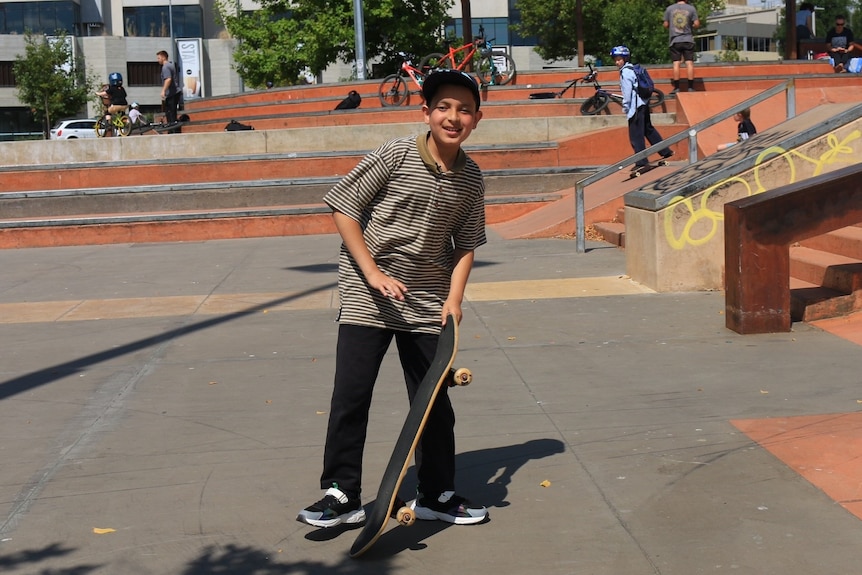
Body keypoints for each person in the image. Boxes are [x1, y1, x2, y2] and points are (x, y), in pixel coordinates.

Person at [296, 69, 488, 529]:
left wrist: (455, 300)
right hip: (369, 296)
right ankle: (341, 494)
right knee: (352, 395)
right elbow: (345, 208)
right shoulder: (395, 154)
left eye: (464, 109)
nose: (452, 116)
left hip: (426, 300)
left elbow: (466, 244)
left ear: (477, 119)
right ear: (426, 111)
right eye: (443, 106)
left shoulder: (472, 178)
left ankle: (436, 492)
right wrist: (372, 272)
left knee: (432, 401)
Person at [611, 46, 673, 175]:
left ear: (625, 59)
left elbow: (627, 93)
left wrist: (626, 107)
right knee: (648, 129)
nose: (617, 62)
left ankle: (641, 161)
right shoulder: (632, 69)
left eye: (619, 59)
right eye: (615, 60)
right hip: (643, 104)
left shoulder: (625, 72)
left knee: (636, 135)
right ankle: (665, 151)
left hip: (636, 107)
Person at [663, 0, 700, 93]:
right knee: (689, 63)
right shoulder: (691, 8)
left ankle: (676, 87)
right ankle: (691, 87)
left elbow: (666, 24)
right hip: (688, 39)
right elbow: (696, 24)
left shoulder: (669, 9)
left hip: (675, 40)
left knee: (676, 63)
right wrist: (690, 26)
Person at [157, 50, 180, 123]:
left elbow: (168, 79)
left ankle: (172, 130)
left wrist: (163, 90)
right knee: (173, 113)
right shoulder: (171, 65)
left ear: (163, 57)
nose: (158, 60)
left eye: (159, 58)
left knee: (170, 114)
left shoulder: (165, 67)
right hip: (175, 92)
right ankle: (173, 129)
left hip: (172, 94)